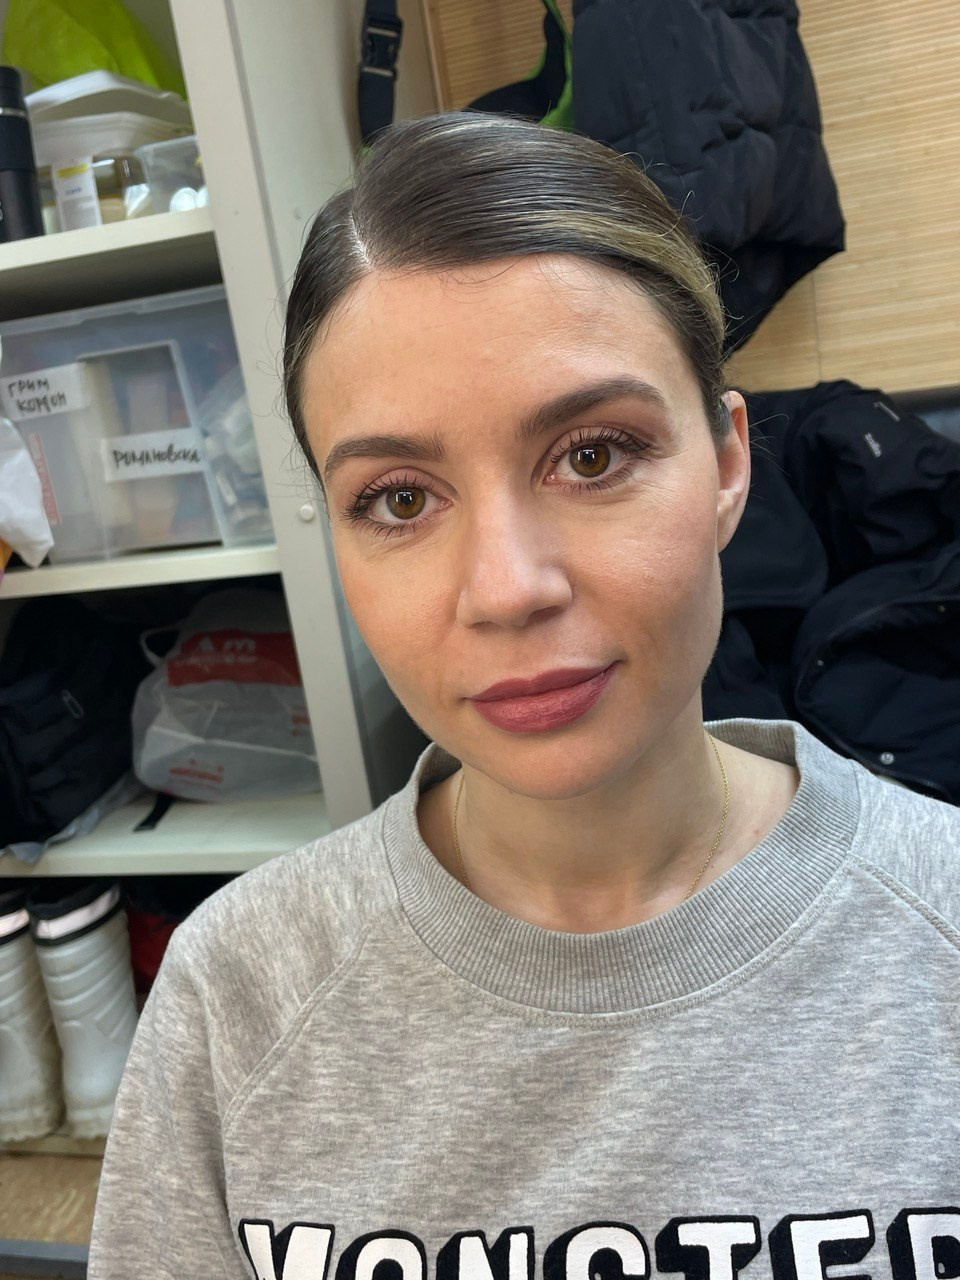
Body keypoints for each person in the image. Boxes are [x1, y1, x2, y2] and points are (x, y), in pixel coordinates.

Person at [87, 112, 960, 1280]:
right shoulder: (236, 994)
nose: (506, 588)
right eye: (401, 498)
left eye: (593, 454)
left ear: (727, 462)